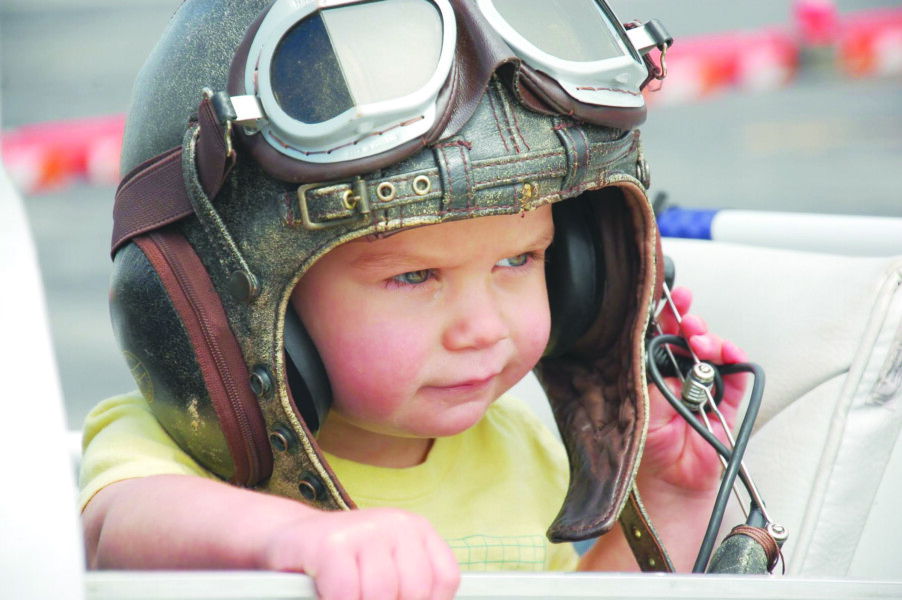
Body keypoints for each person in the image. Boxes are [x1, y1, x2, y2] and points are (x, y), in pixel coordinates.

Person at [79, 0, 747, 598]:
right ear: (239, 313)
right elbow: (114, 531)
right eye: (414, 277)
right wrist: (295, 540)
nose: (482, 329)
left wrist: (670, 496)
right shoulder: (179, 446)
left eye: (518, 260)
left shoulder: (526, 456)